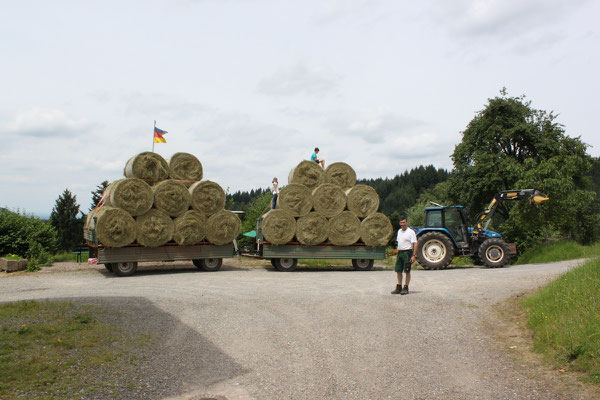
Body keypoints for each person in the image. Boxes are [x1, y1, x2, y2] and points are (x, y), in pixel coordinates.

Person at [391, 217, 418, 295]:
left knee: (407, 271)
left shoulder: (411, 232)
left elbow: (415, 243)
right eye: (401, 223)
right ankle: (399, 287)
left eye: (404, 222)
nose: (403, 224)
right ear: (399, 223)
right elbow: (400, 243)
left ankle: (406, 287)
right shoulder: (399, 231)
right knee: (398, 270)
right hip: (400, 253)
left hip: (407, 253)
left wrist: (414, 255)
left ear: (406, 223)